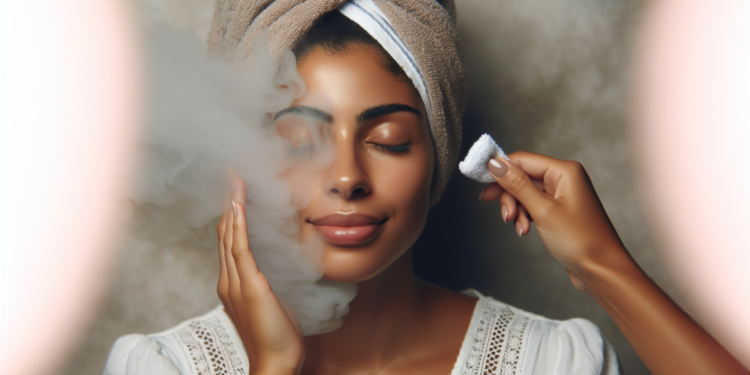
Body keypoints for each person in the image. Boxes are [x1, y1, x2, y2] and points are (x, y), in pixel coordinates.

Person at [104, 1, 749, 374]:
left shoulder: (554, 361)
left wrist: (602, 265)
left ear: (438, 155)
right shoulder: (160, 368)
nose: (350, 177)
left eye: (388, 141)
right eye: (299, 141)